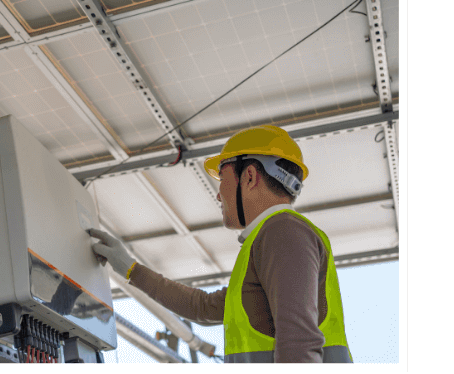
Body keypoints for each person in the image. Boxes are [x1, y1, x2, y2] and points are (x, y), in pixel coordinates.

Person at [88, 125, 353, 363]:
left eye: (223, 179)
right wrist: (131, 269)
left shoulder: (282, 231)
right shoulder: (268, 239)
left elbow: (299, 342)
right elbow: (201, 307)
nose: (218, 194)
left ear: (249, 176)